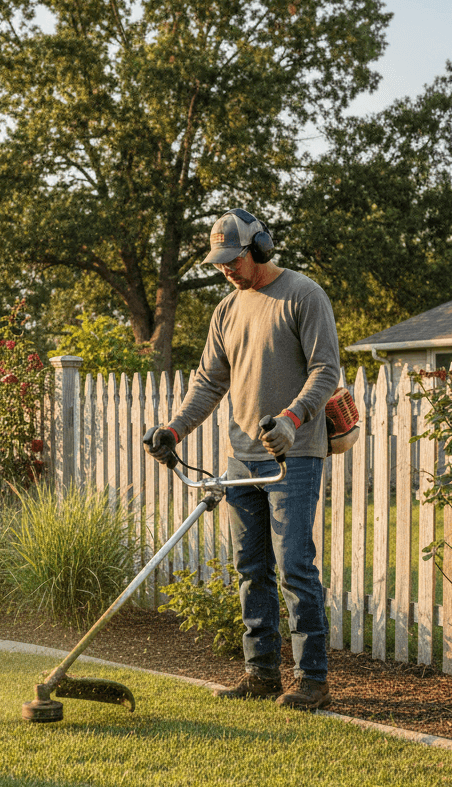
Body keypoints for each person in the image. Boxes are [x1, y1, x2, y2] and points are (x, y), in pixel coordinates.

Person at [145, 209, 340, 709]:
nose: (226, 268)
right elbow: (210, 382)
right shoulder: (225, 310)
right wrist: (174, 429)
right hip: (242, 459)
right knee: (250, 567)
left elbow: (324, 370)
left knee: (294, 565)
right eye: (220, 262)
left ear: (260, 248)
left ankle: (312, 680)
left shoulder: (303, 294)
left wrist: (293, 420)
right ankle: (261, 674)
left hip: (293, 455)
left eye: (233, 258)